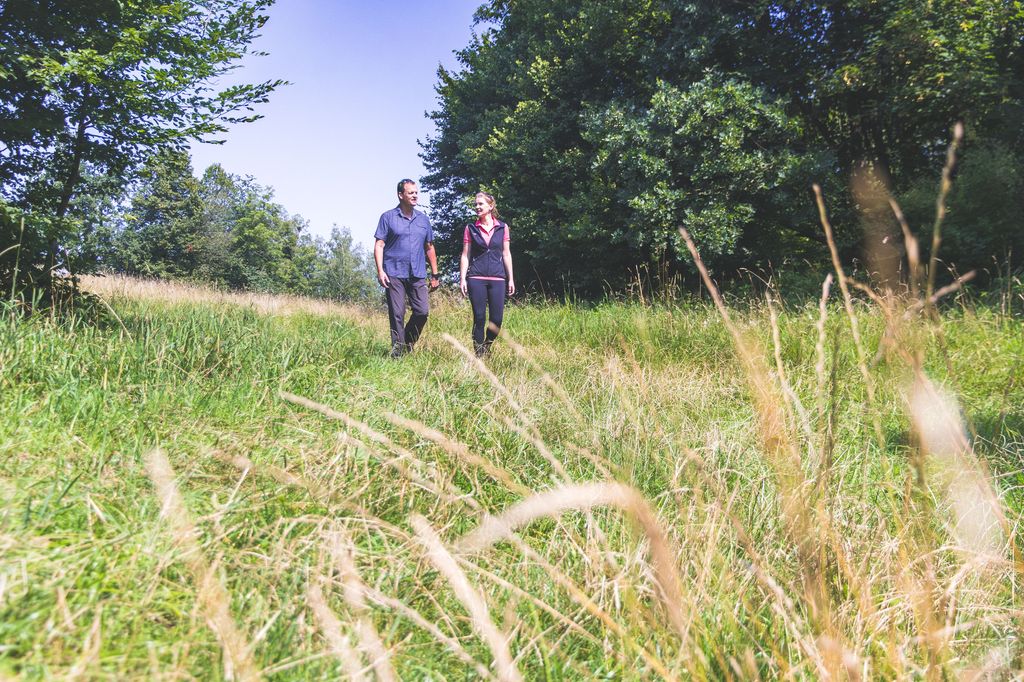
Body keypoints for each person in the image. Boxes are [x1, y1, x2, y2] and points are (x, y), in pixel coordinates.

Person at [374, 179, 440, 358]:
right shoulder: (388, 217)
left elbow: (429, 247)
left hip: (417, 273)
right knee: (397, 313)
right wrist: (380, 270)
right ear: (400, 195)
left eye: (416, 192)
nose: (415, 195)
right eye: (410, 193)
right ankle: (397, 353)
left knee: (422, 312)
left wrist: (435, 274)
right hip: (393, 272)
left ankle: (407, 343)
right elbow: (379, 245)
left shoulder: (423, 219)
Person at [459, 191, 515, 357]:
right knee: (479, 317)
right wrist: (462, 278)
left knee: (496, 320)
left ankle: (487, 345)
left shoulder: (503, 227)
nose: (477, 207)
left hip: (498, 278)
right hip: (476, 277)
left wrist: (511, 278)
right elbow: (465, 255)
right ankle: (479, 355)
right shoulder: (470, 228)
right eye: (476, 204)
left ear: (490, 206)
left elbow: (506, 253)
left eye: (480, 204)